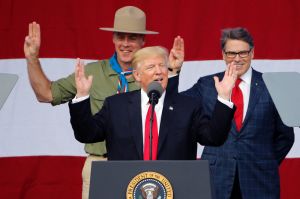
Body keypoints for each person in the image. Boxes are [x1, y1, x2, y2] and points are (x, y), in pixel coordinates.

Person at [23, 6, 183, 199]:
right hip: (100, 164)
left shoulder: (153, 74)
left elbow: (170, 114)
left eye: (132, 37)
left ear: (143, 40)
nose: (125, 43)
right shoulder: (92, 72)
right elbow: (46, 94)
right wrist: (32, 58)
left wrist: (173, 72)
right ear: (113, 38)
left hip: (143, 168)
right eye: (120, 36)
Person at [69, 46, 237, 161]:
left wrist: (223, 98)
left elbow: (213, 138)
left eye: (162, 66)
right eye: (151, 67)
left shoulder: (188, 107)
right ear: (137, 75)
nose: (159, 71)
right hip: (127, 188)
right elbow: (87, 134)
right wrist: (82, 96)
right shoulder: (115, 106)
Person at [182, 27, 294, 199]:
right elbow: (177, 105)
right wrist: (173, 73)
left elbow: (285, 137)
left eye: (243, 53)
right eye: (231, 53)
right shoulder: (207, 85)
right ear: (223, 55)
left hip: (259, 179)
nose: (237, 59)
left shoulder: (272, 85)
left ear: (252, 53)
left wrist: (264, 161)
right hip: (217, 178)